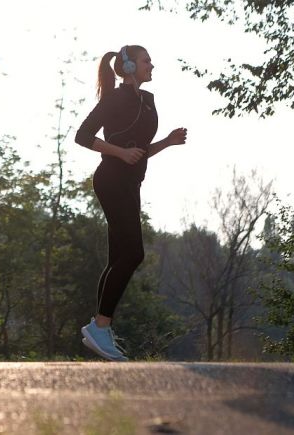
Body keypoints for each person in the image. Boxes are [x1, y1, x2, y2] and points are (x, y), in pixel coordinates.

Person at [75, 45, 187, 361]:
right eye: (146, 61)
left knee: (118, 258)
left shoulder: (147, 101)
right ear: (128, 65)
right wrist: (119, 153)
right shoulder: (114, 99)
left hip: (130, 183)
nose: (152, 65)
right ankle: (100, 326)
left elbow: (139, 150)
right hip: (111, 179)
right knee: (133, 253)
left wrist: (167, 142)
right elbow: (83, 136)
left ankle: (100, 330)